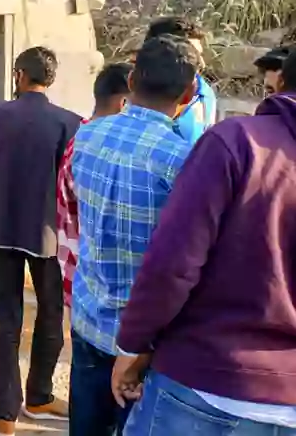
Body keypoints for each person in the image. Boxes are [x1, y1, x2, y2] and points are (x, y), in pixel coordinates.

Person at [112, 50, 296, 436]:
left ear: (280, 82)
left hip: (205, 384)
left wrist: (134, 346)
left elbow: (173, 266)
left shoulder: (237, 142)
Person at [67, 36, 198, 436]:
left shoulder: (87, 136)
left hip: (89, 318)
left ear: (132, 77)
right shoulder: (184, 160)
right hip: (144, 342)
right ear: (189, 93)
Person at [0, 46, 81, 435]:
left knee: (8, 321)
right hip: (47, 236)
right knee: (51, 315)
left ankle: (5, 415)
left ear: (19, 75)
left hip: (3, 231)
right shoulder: (70, 122)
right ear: (50, 80)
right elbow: (71, 185)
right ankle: (39, 396)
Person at [56, 62, 133, 309]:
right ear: (123, 103)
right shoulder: (115, 152)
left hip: (74, 281)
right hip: (104, 291)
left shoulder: (77, 142)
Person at [144, 17, 216, 142]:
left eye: (200, 54)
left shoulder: (205, 95)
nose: (202, 64)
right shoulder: (124, 93)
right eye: (192, 55)